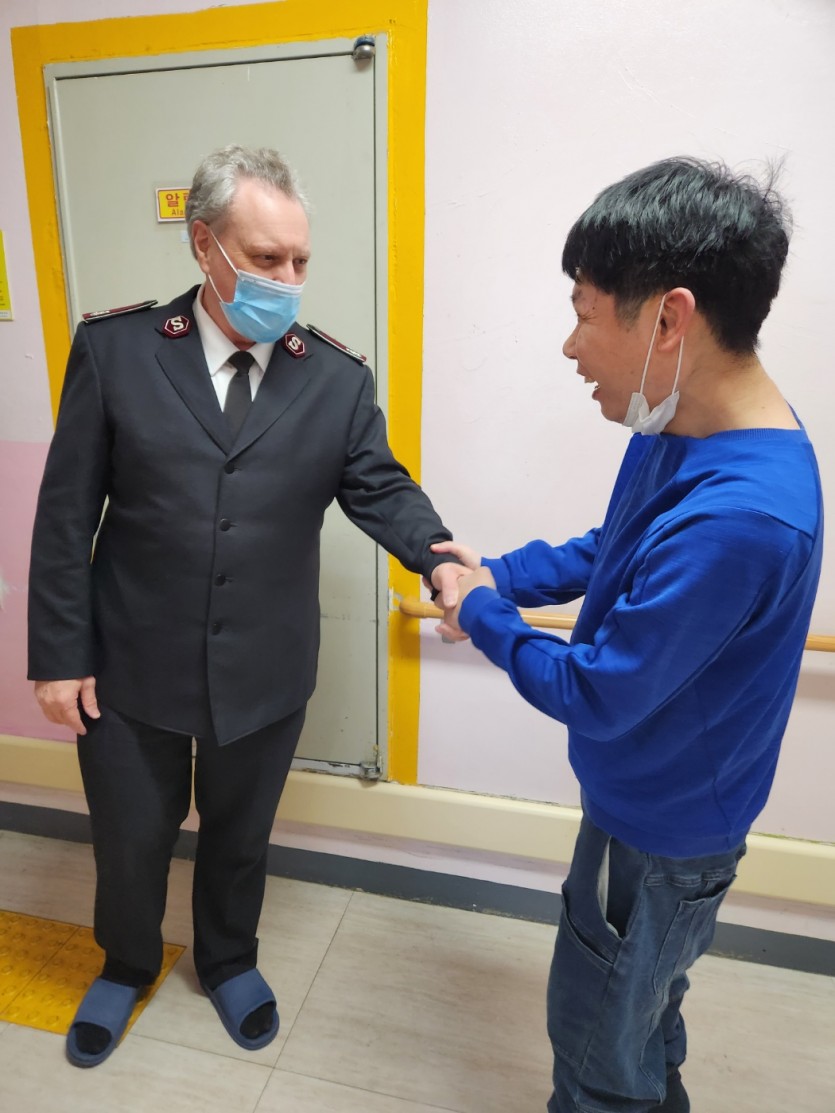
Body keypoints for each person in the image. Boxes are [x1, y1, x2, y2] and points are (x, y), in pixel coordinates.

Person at [28, 144, 465, 1068]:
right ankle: (126, 962)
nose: (288, 280)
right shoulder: (116, 351)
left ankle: (227, 959)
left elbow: (379, 486)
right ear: (204, 245)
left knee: (238, 837)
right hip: (128, 660)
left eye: (300, 260)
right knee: (131, 838)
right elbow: (65, 517)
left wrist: (438, 559)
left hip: (265, 663)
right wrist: (59, 654)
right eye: (267, 258)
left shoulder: (335, 377)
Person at [432, 157, 823, 1112]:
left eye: (584, 312)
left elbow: (596, 690)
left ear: (668, 318)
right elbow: (616, 545)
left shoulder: (744, 514)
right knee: (638, 1015)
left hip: (659, 836)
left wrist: (479, 612)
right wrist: (503, 576)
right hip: (648, 806)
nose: (571, 345)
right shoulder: (687, 426)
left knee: (597, 1052)